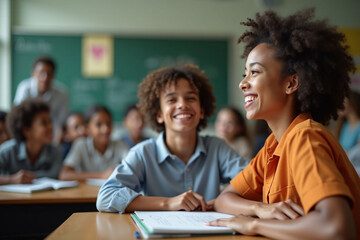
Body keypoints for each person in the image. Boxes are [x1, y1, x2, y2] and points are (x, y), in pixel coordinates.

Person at [206, 9, 360, 239]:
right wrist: (259, 209)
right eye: (244, 73)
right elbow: (224, 199)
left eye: (254, 72)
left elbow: (336, 228)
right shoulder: (273, 145)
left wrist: (254, 225)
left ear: (291, 84)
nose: (242, 83)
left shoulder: (305, 137)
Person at [96, 64, 249, 213]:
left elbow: (256, 181)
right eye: (172, 100)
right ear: (159, 115)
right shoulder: (143, 153)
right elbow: (105, 197)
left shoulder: (217, 148)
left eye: (190, 98)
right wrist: (168, 203)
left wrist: (222, 201)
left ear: (201, 111)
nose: (182, 105)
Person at [0, 99, 62, 185]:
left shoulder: (54, 150)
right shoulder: (8, 151)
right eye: (44, 123)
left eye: (50, 122)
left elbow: (56, 174)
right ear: (27, 131)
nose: (51, 127)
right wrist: (11, 180)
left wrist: (30, 177)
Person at [59, 105, 128, 181]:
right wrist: (101, 175)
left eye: (108, 123)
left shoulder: (119, 144)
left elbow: (133, 165)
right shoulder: (81, 145)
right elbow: (64, 174)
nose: (105, 129)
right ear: (87, 128)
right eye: (98, 125)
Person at [13, 56, 69, 144]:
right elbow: (18, 117)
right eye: (41, 73)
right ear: (33, 73)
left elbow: (61, 122)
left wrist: (54, 142)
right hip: (27, 135)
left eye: (49, 74)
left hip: (51, 137)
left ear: (54, 75)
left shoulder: (61, 93)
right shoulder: (24, 88)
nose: (45, 77)